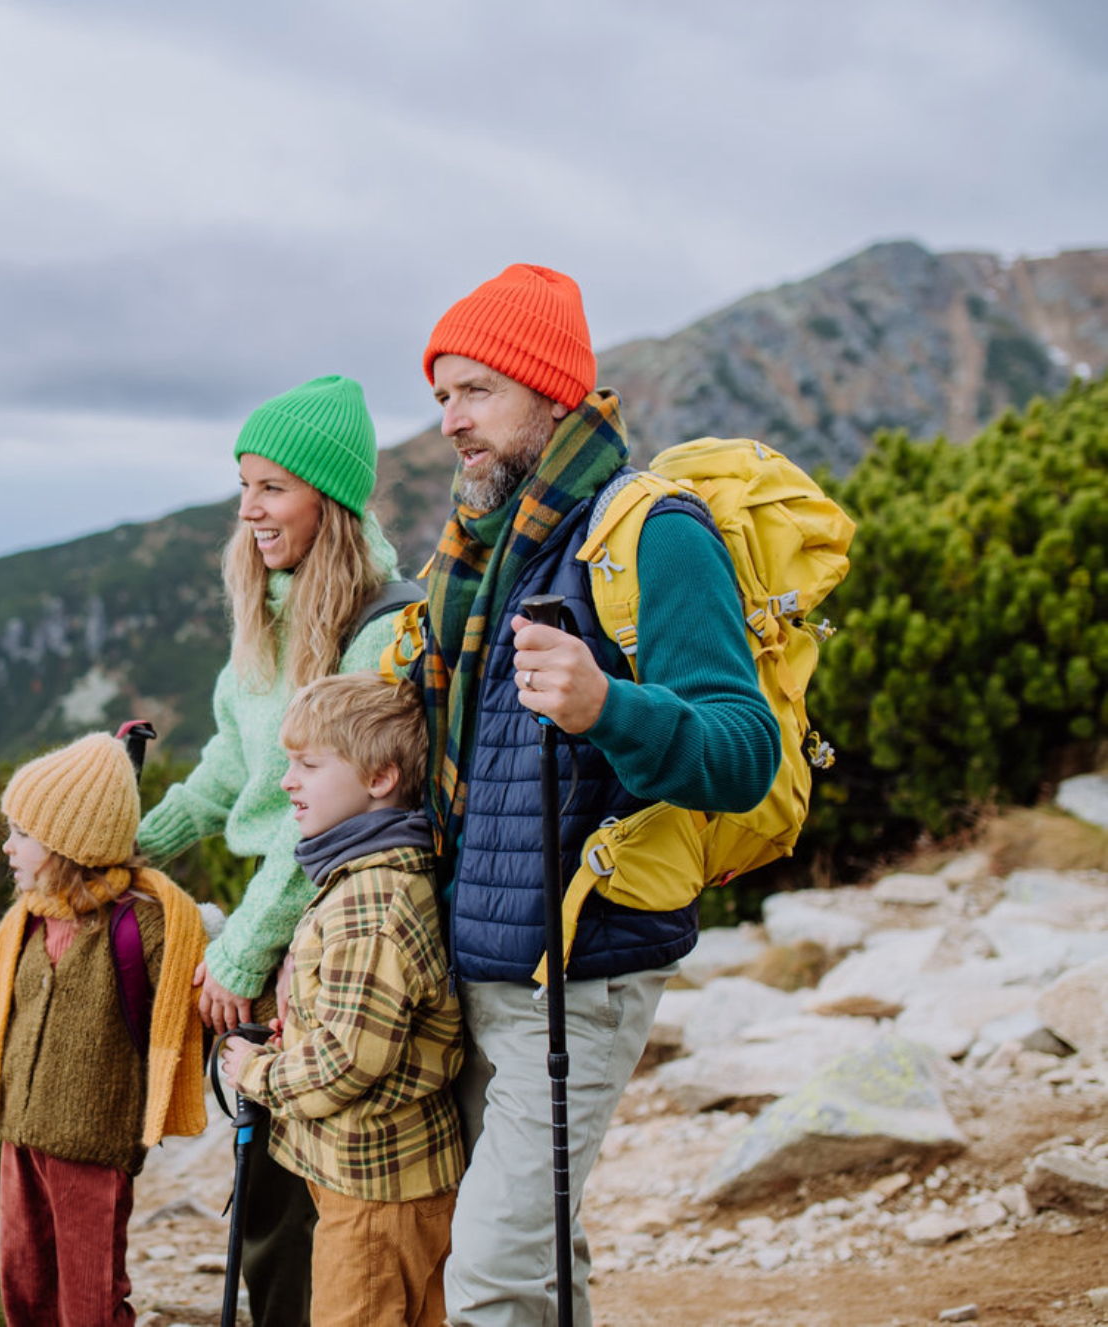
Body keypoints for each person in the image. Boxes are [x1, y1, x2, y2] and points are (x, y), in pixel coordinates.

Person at [410, 264, 780, 1326]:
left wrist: (604, 708)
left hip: (579, 970)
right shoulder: (491, 556)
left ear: (549, 390)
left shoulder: (650, 532)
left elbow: (740, 746)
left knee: (488, 1279)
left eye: (475, 390)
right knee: (538, 1262)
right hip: (486, 967)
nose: (450, 421)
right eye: (441, 396)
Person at [136, 373, 410, 1325]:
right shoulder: (269, 610)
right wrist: (133, 839)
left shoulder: (379, 632)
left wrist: (247, 944)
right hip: (283, 914)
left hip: (341, 924)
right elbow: (230, 768)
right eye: (243, 485)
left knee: (304, 1199)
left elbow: (325, 822)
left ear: (327, 501)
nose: (249, 510)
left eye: (273, 488)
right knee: (269, 1200)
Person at [0, 732, 208, 1327]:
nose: (7, 847)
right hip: (21, 1137)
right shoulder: (27, 922)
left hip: (94, 1146)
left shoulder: (143, 927)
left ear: (70, 844)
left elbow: (199, 999)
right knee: (24, 1284)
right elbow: (1, 1019)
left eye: (22, 834)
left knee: (90, 1296)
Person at [217, 672, 462, 1327]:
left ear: (380, 777)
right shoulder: (366, 877)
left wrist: (255, 1072)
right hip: (385, 1181)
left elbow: (349, 1060)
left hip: (376, 1193)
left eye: (308, 764)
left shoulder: (369, 899)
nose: (286, 780)